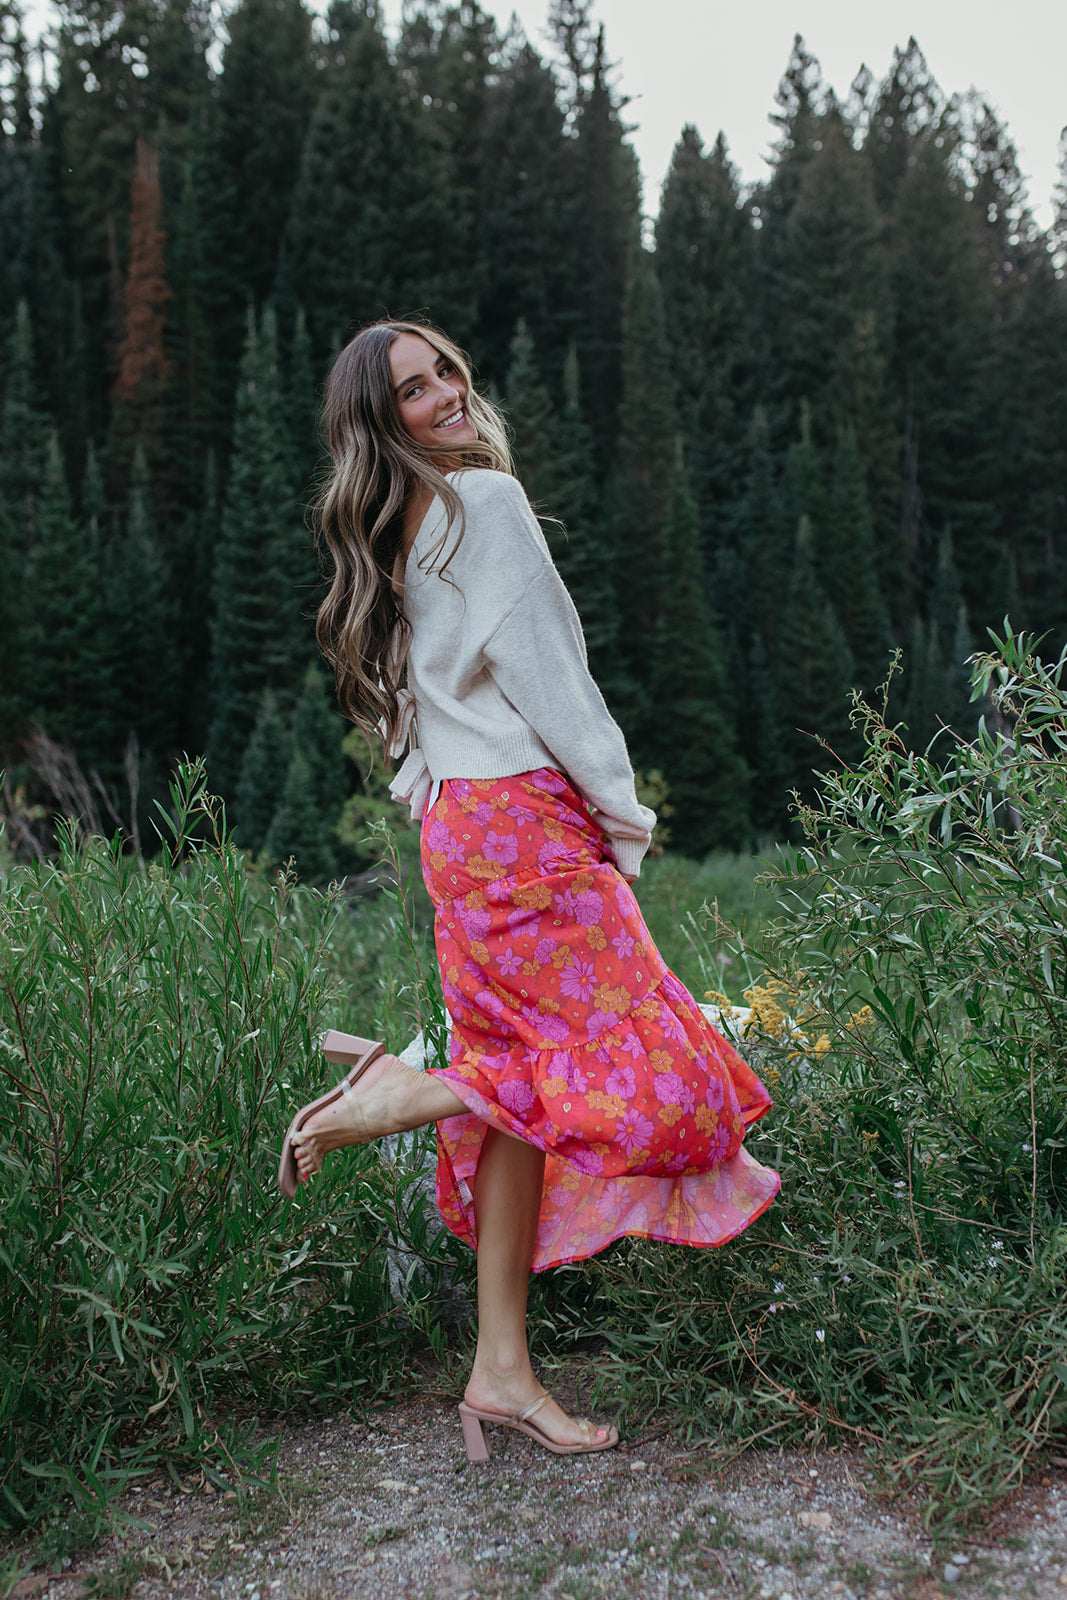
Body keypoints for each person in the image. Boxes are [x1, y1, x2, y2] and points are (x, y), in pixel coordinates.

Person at [278, 318, 780, 1462]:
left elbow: (407, 717)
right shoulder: (483, 507)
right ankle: (403, 1095)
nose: (447, 392)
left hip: (457, 831)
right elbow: (555, 676)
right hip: (528, 826)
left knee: (525, 1106)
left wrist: (439, 799)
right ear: (379, 420)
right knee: (645, 1067)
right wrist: (618, 811)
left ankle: (499, 1370)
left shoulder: (397, 531)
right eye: (414, 388)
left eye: (445, 368)